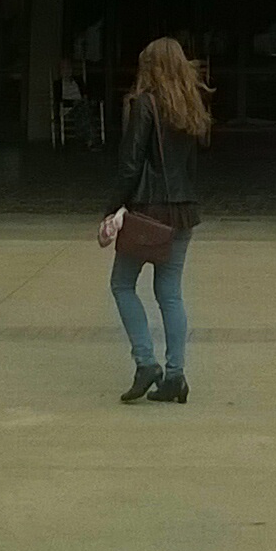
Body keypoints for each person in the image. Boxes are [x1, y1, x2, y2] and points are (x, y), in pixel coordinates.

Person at [99, 37, 210, 406]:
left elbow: (131, 163)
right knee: (171, 293)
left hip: (148, 211)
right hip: (183, 211)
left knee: (122, 284)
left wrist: (113, 207)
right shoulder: (191, 106)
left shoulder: (144, 104)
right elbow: (191, 166)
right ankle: (176, 375)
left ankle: (145, 362)